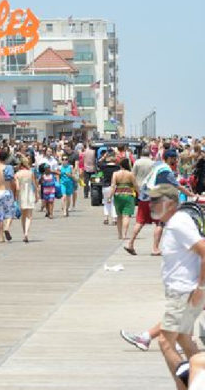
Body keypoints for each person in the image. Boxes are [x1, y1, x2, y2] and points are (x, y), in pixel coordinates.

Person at [147, 180, 205, 389]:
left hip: (184, 292)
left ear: (171, 203)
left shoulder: (179, 223)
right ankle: (199, 380)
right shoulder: (174, 223)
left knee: (165, 342)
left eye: (156, 201)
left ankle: (189, 385)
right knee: (183, 340)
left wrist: (201, 288)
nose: (150, 204)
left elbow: (203, 250)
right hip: (183, 292)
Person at [126, 147, 160, 256]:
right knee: (159, 222)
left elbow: (132, 176)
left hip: (142, 192)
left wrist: (136, 189)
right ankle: (155, 248)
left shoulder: (137, 162)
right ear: (150, 154)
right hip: (153, 193)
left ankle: (130, 243)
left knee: (140, 220)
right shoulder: (153, 164)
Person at [0, 148, 17, 243]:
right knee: (10, 213)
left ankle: (1, 237)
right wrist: (15, 192)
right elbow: (12, 182)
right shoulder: (9, 168)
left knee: (0, 215)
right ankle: (7, 227)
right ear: (6, 158)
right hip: (7, 190)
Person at [109, 158, 137, 241]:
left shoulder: (115, 174)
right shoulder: (130, 174)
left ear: (120, 165)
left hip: (118, 195)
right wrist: (141, 193)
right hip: (128, 195)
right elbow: (135, 185)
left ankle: (119, 234)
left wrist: (110, 196)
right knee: (126, 216)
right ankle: (125, 234)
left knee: (119, 216)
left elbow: (113, 186)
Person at [15, 157, 38, 243]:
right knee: (29, 215)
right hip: (29, 193)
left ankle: (24, 232)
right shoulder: (30, 173)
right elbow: (35, 185)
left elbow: (17, 187)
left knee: (23, 215)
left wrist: (16, 197)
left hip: (21, 193)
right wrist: (37, 194)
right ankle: (26, 233)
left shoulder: (17, 174)